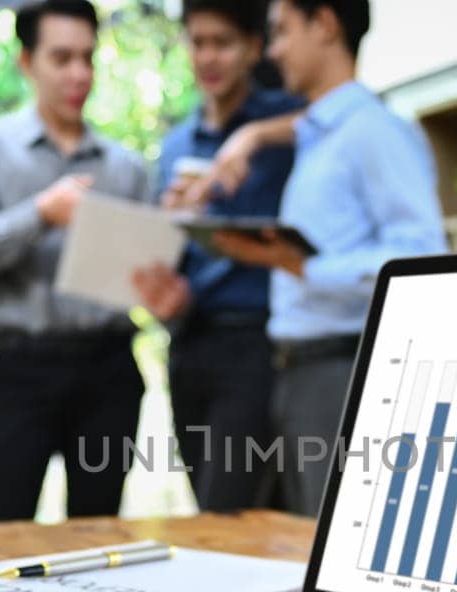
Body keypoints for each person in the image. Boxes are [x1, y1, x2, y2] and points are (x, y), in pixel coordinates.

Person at [199, 0, 446, 517]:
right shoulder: (319, 137)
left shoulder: (374, 132)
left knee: (335, 549)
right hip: (299, 370)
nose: (274, 51)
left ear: (327, 25)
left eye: (283, 32)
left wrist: (301, 266)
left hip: (342, 368)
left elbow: (422, 256)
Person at [0, 0, 154, 522]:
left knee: (98, 540)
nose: (78, 74)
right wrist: (40, 213)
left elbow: (148, 275)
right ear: (27, 62)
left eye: (87, 58)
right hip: (22, 368)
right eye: (62, 58)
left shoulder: (127, 168)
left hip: (109, 367)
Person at [131, 0, 303, 512]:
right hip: (189, 341)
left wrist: (253, 137)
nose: (208, 57)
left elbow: (339, 116)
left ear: (254, 47)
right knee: (207, 506)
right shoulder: (177, 142)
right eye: (197, 42)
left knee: (227, 511)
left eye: (222, 43)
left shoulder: (284, 123)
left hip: (257, 343)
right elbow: (174, 253)